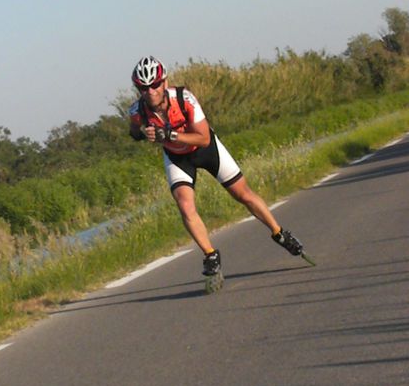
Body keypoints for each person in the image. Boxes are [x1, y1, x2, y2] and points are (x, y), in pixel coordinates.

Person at [128, 55, 305, 279]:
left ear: (164, 82)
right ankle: (210, 254)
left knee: (243, 194)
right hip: (177, 157)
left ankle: (279, 233)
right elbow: (134, 130)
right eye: (143, 88)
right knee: (184, 205)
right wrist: (143, 132)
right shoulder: (137, 110)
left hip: (206, 149)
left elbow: (202, 138)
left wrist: (170, 134)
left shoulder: (184, 98)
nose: (150, 91)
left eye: (154, 85)